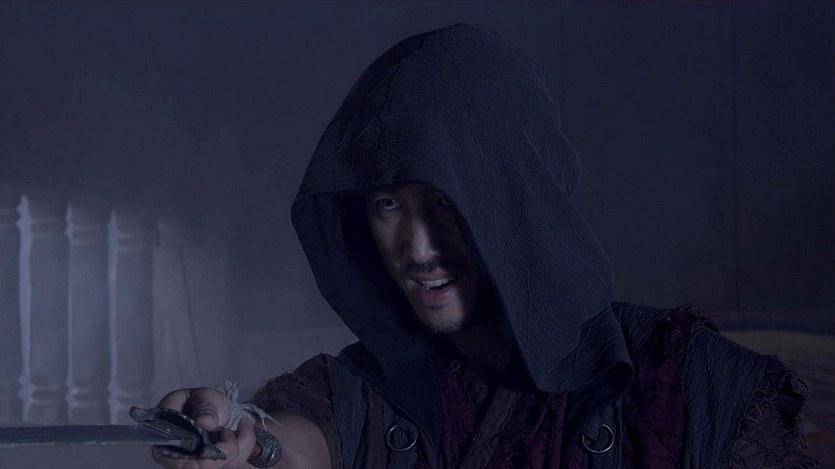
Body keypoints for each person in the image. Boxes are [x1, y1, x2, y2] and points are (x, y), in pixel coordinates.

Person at [153, 24, 817, 468]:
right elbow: (295, 439)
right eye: (388, 204)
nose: (417, 247)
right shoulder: (360, 388)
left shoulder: (685, 380)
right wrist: (239, 440)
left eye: (445, 200)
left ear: (516, 197)